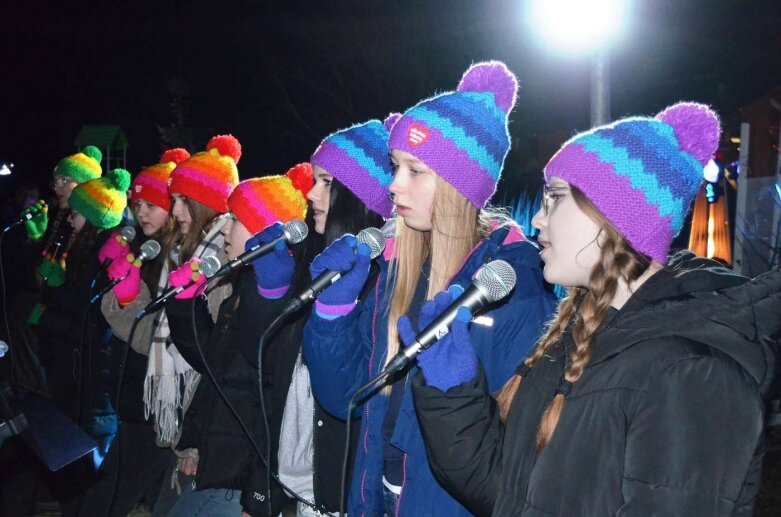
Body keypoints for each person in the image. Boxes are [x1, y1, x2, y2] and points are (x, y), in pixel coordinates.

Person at [410, 102, 781, 515]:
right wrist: (451, 389)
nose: (538, 220)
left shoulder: (692, 372)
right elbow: (507, 494)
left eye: (554, 199)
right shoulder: (576, 338)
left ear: (611, 217)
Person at [303, 61, 556, 516]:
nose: (393, 185)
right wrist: (331, 317)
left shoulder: (511, 292)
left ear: (459, 184)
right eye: (395, 167)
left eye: (414, 170)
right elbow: (346, 400)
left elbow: (521, 463)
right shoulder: (395, 274)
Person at [162, 164, 313, 516]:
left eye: (235, 219)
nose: (225, 229)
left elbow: (273, 403)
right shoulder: (243, 288)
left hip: (238, 479)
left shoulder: (283, 297)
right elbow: (215, 365)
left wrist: (258, 493)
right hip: (219, 466)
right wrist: (185, 306)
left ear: (264, 230)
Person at [278, 117, 392, 517]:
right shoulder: (319, 263)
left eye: (327, 182)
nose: (310, 193)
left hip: (349, 492)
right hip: (315, 482)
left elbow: (349, 399)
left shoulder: (381, 285)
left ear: (362, 198)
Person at [78, 148, 190, 517]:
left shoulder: (175, 258)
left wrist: (132, 295)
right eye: (137, 203)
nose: (141, 212)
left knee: (118, 491)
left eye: (151, 204)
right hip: (130, 393)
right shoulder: (142, 249)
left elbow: (158, 331)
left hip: (154, 398)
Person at [141, 135, 239, 516]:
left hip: (198, 423)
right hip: (181, 419)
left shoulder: (218, 259)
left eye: (184, 200)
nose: (175, 209)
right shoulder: (181, 252)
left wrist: (195, 442)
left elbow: (212, 359)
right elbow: (149, 338)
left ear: (207, 204)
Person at [35, 168, 131, 515]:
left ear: (92, 218)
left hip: (94, 380)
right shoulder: (82, 253)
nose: (70, 221)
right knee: (74, 472)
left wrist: (48, 317)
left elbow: (96, 327)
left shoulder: (106, 257)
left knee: (91, 467)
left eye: (76, 214)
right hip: (74, 374)